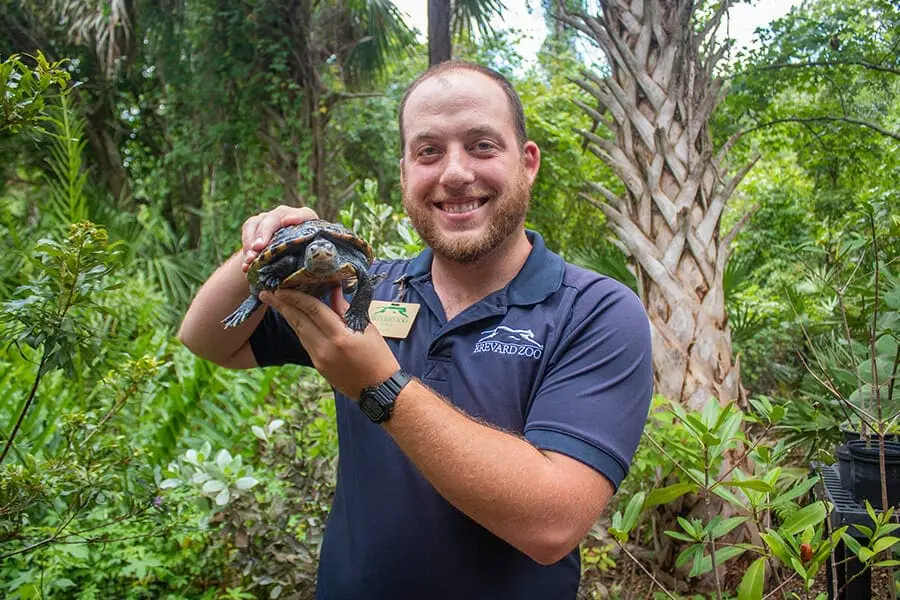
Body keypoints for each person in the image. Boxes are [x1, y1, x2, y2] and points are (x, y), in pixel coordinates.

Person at [179, 60, 653, 600]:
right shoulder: (358, 286)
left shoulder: (594, 311)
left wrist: (378, 385)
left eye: (481, 145)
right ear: (404, 172)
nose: (454, 173)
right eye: (428, 151)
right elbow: (208, 337)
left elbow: (552, 523)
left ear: (527, 162)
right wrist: (262, 247)